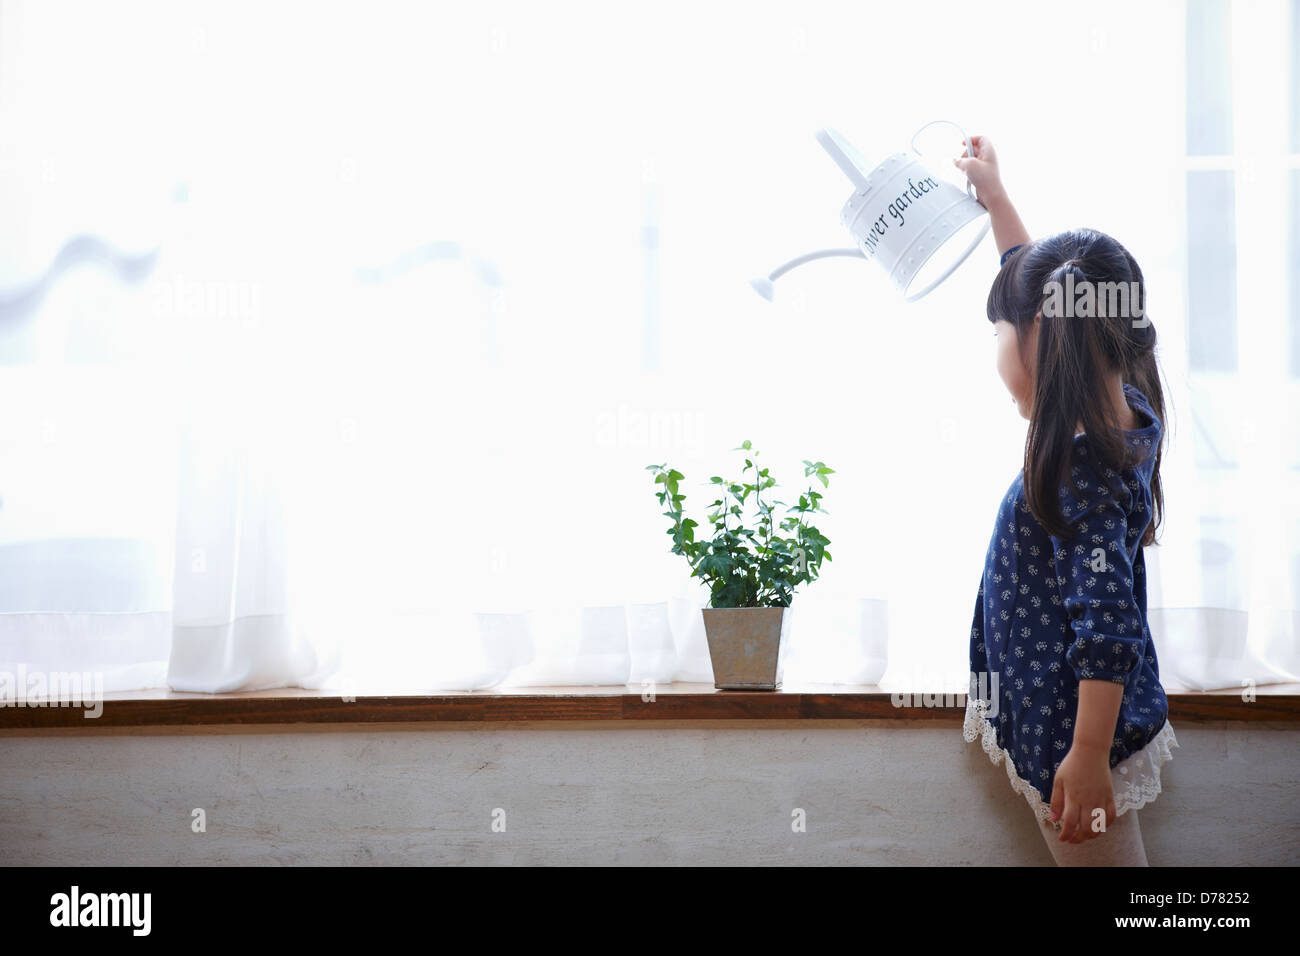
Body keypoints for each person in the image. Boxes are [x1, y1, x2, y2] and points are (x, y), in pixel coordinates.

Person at [955, 136, 1179, 866]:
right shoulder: (1124, 400)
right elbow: (1050, 296)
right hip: (1071, 728)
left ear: (1041, 338)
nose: (994, 345)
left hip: (1074, 743)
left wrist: (1085, 757)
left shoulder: (1082, 470)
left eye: (998, 330)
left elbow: (1108, 626)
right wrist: (998, 202)